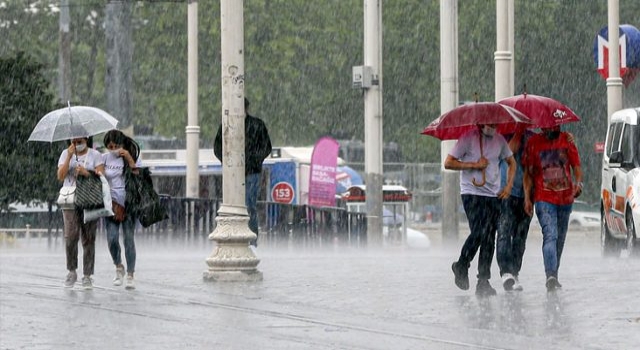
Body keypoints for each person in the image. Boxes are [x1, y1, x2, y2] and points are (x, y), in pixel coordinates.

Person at [446, 124, 516, 296]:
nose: (492, 127)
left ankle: (483, 281)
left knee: (489, 238)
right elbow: (449, 163)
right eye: (489, 124)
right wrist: (473, 165)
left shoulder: (499, 140)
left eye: (495, 124)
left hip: (492, 195)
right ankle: (462, 264)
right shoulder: (468, 138)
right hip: (472, 192)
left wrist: (508, 186)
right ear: (480, 123)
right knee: (478, 231)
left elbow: (511, 162)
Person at [523, 125, 582, 292]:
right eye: (549, 126)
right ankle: (550, 275)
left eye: (556, 125)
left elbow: (576, 167)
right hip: (544, 198)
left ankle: (554, 275)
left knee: (560, 239)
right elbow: (528, 173)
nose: (552, 128)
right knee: (551, 235)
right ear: (543, 127)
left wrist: (579, 184)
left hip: (565, 200)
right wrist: (528, 198)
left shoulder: (567, 140)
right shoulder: (534, 143)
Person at [214, 98, 272, 247]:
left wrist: (251, 160)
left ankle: (251, 239)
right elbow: (217, 147)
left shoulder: (254, 125)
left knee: (248, 203)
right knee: (240, 204)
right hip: (241, 171)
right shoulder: (231, 125)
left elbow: (266, 147)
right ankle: (244, 236)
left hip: (250, 171)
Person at [57, 136, 105, 289]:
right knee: (70, 236)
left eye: (80, 141)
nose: (77, 144)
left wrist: (86, 173)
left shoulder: (95, 155)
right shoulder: (66, 153)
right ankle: (72, 271)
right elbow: (60, 176)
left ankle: (87, 275)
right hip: (70, 198)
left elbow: (102, 177)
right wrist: (69, 156)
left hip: (89, 199)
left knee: (89, 237)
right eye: (74, 141)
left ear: (86, 139)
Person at [496, 126, 535, 291]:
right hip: (506, 192)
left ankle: (515, 272)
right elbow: (508, 154)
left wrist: (528, 197)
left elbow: (531, 169)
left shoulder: (532, 138)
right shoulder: (501, 136)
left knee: (520, 238)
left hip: (525, 193)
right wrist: (518, 133)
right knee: (504, 232)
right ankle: (505, 272)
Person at [102, 130, 141, 290]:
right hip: (111, 204)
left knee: (128, 239)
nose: (113, 149)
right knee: (111, 239)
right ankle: (119, 266)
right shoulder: (104, 158)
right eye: (110, 146)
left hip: (128, 204)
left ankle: (131, 274)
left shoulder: (130, 156)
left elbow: (138, 175)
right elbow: (101, 177)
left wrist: (129, 159)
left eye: (116, 146)